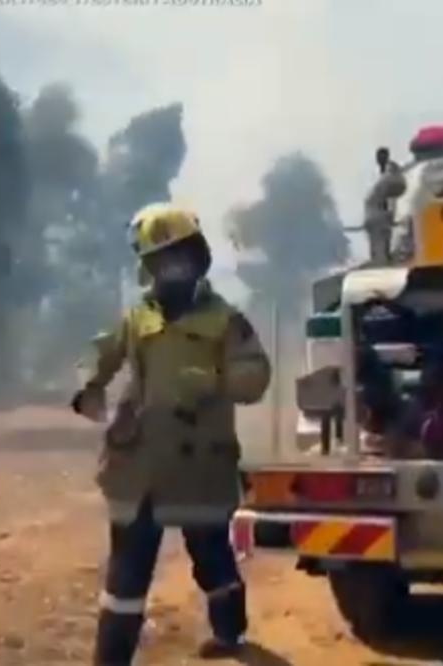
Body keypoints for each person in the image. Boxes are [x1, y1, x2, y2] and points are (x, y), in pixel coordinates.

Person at [70, 202, 272, 665]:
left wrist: (217, 379)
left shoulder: (226, 320)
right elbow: (99, 352)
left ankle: (229, 632)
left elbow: (256, 375)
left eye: (179, 256)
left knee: (212, 557)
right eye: (161, 260)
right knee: (127, 572)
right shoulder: (137, 317)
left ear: (198, 258)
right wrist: (89, 387)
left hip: (199, 465)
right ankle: (110, 658)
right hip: (136, 466)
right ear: (148, 268)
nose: (172, 268)